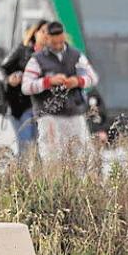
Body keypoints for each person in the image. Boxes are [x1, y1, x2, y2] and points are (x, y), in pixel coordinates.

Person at [21, 20, 99, 159]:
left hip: (74, 113)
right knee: (52, 157)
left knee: (80, 156)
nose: (58, 45)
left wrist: (78, 81)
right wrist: (48, 82)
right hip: (49, 115)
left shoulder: (76, 56)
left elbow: (93, 78)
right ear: (47, 39)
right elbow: (26, 87)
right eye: (54, 43)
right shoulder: (36, 60)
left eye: (60, 42)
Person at [0, 20, 46, 155]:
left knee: (40, 150)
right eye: (42, 31)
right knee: (26, 146)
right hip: (22, 107)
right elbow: (1, 69)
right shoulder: (23, 49)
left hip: (41, 109)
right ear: (35, 33)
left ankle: (34, 175)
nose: (46, 35)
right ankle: (23, 174)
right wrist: (9, 79)